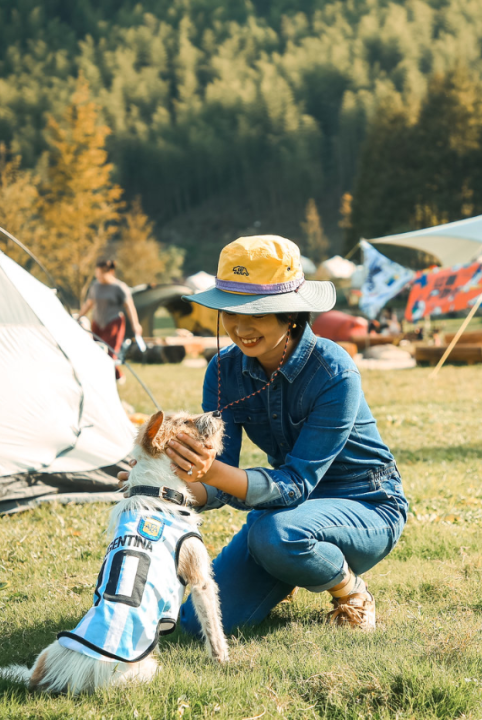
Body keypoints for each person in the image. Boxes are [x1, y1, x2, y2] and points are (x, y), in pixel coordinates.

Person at [161, 235, 408, 633]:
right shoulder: (222, 372)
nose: (241, 327)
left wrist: (208, 472)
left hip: (365, 503)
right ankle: (290, 564)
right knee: (196, 625)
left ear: (290, 312)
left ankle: (350, 591)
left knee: (275, 534)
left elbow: (294, 483)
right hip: (289, 511)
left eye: (255, 313)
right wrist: (164, 486)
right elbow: (220, 475)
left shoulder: (334, 371)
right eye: (230, 312)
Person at [79, 260, 142, 380]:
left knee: (110, 353)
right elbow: (89, 303)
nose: (99, 276)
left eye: (101, 273)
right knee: (97, 352)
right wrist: (79, 317)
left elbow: (129, 306)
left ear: (110, 272)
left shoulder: (119, 287)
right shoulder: (95, 286)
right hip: (97, 323)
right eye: (97, 273)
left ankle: (113, 378)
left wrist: (136, 324)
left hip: (113, 322)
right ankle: (115, 376)